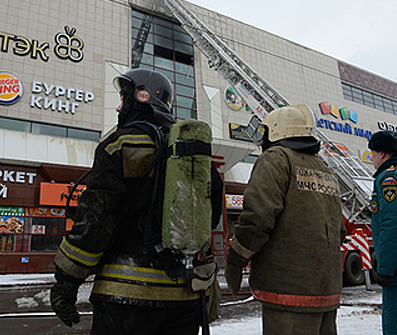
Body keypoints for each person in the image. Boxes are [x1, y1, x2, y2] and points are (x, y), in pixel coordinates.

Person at [50, 68, 223, 335]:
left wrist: (66, 283)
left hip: (125, 298)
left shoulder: (119, 145)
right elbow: (209, 218)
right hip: (185, 300)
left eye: (123, 98)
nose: (119, 107)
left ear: (139, 98)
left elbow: (96, 221)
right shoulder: (195, 156)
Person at [225, 104, 346, 335]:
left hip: (289, 292)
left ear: (275, 131)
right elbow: (339, 231)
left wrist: (236, 258)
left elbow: (258, 218)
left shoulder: (276, 159)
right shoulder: (325, 170)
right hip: (327, 290)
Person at [368, 130, 397, 334]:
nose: (372, 159)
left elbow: (395, 224)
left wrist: (385, 268)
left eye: (373, 154)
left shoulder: (391, 178)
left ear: (383, 154)